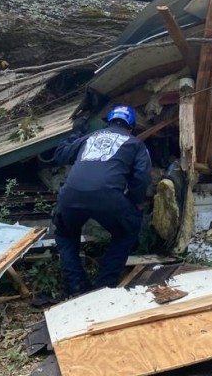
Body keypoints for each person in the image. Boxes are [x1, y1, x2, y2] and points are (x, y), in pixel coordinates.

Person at [52, 104, 152, 297]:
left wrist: (76, 132)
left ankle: (76, 285)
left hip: (70, 195)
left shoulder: (89, 137)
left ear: (107, 122)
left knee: (66, 235)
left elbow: (61, 155)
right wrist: (132, 201)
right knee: (127, 230)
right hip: (108, 196)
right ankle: (104, 286)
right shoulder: (135, 144)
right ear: (131, 127)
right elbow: (141, 177)